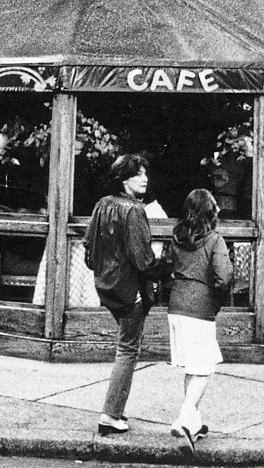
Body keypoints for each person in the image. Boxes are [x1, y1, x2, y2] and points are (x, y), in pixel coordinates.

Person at [84, 153, 169, 435]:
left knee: (125, 346)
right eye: (137, 174)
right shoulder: (134, 211)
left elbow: (89, 249)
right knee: (128, 349)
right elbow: (143, 260)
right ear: (124, 178)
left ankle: (114, 412)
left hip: (107, 287)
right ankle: (111, 414)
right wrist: (166, 267)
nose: (144, 178)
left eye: (145, 173)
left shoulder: (101, 205)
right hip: (130, 291)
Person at [164, 188, 232, 455]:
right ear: (211, 212)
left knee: (192, 367)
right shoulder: (215, 240)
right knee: (204, 368)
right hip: (200, 308)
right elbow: (223, 277)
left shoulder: (177, 237)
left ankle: (194, 424)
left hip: (177, 305)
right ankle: (184, 417)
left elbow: (168, 267)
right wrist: (219, 299)